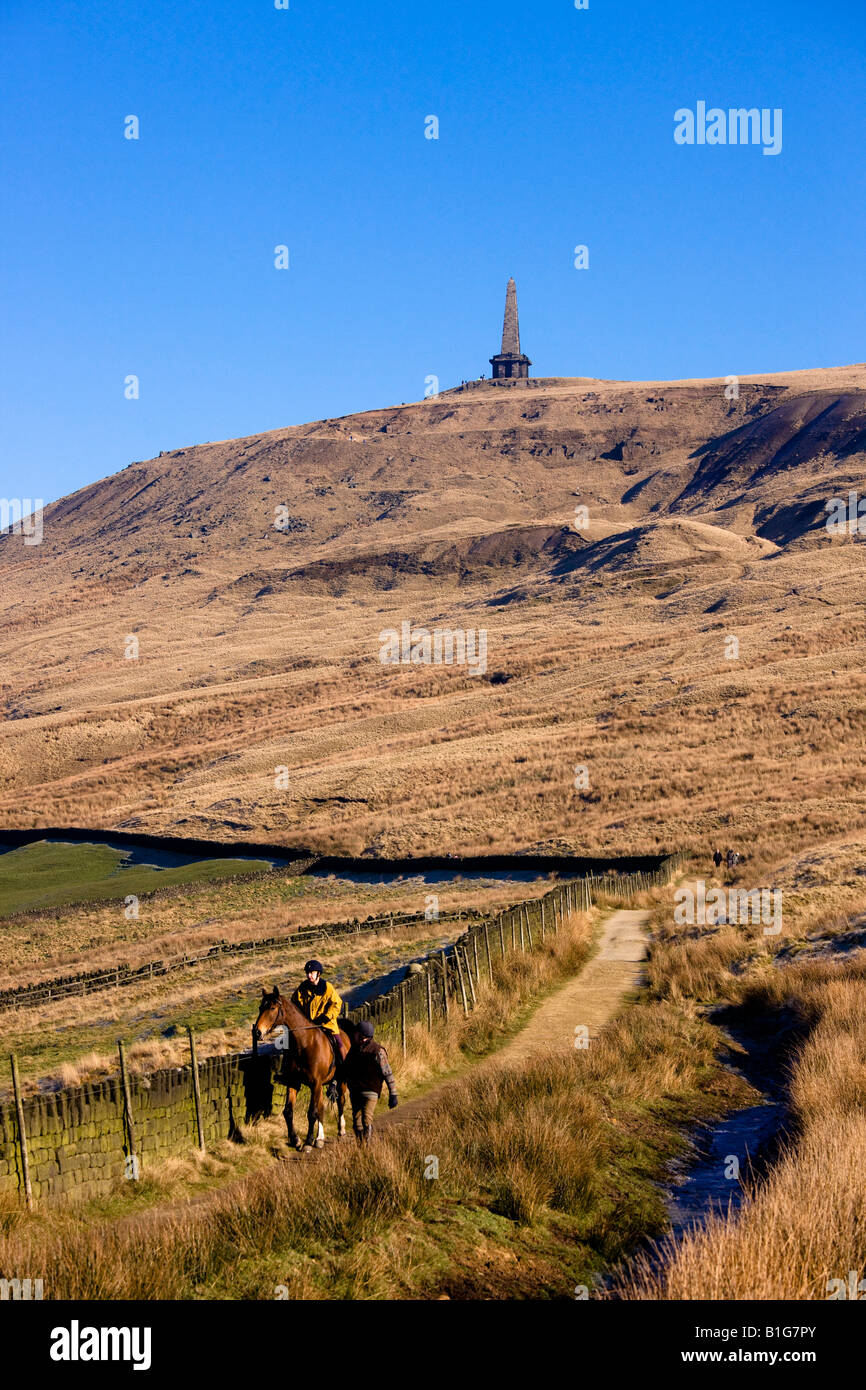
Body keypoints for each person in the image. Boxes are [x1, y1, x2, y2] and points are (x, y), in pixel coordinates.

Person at [345, 1019, 398, 1144]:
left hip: (371, 1091)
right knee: (356, 1122)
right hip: (356, 1091)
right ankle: (361, 1146)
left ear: (362, 1036)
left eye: (356, 1034)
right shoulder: (353, 1050)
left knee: (366, 1119)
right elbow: (345, 1069)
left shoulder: (378, 1051)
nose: (354, 1036)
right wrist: (334, 1083)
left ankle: (367, 1147)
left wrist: (393, 1093)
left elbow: (387, 1073)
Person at [291, 961, 347, 1064]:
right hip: (308, 1025)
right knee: (288, 1043)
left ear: (318, 974)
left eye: (312, 973)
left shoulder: (327, 987)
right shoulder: (302, 987)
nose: (309, 975)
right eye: (307, 973)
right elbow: (294, 1002)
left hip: (327, 1024)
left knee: (339, 1044)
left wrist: (325, 1017)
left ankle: (345, 1070)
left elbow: (337, 1004)